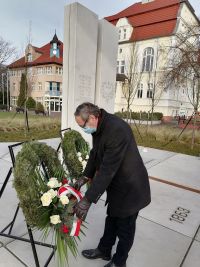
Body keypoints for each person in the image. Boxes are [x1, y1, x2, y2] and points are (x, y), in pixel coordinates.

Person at [73, 102, 151, 267]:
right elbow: (95, 153)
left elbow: (107, 170)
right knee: (112, 219)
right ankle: (104, 250)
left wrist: (87, 199)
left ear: (93, 117)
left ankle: (119, 261)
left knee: (125, 228)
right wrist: (85, 176)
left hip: (130, 187)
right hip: (118, 184)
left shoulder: (116, 130)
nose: (82, 130)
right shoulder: (100, 126)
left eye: (82, 126)